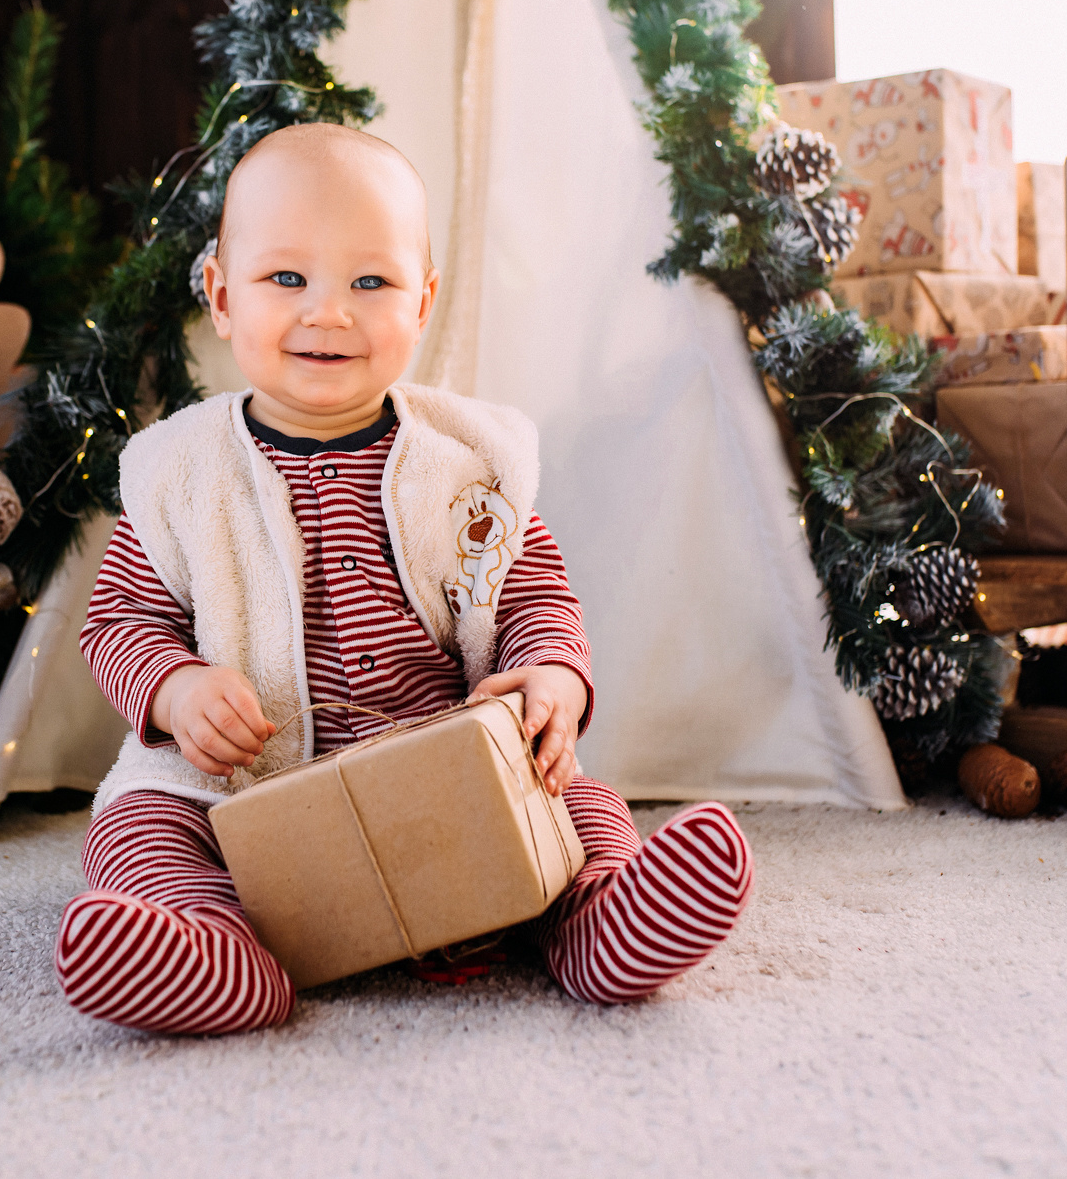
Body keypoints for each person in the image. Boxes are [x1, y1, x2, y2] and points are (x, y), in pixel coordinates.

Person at [57, 123, 752, 1033]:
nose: (329, 312)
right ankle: (217, 950)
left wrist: (552, 681)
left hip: (444, 773)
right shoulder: (183, 473)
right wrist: (177, 688)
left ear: (422, 303)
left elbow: (534, 593)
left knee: (574, 800)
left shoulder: (468, 463)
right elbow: (118, 624)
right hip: (245, 791)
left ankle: (600, 923)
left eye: (371, 283)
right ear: (223, 297)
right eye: (288, 279)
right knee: (139, 826)